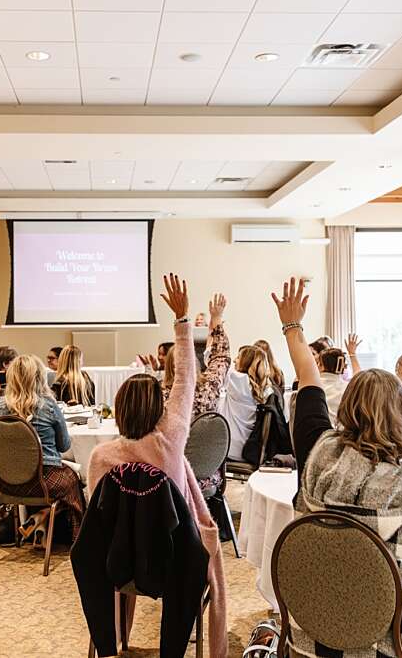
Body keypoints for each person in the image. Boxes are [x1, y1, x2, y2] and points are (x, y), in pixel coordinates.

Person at [273, 277, 402, 658]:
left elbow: (309, 379)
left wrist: (292, 326)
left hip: (316, 637)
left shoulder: (316, 454)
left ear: (346, 408)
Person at [87, 273, 228, 658]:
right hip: (173, 564)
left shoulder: (100, 458)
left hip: (116, 566)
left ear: (118, 409)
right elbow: (186, 380)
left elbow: (96, 527)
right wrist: (182, 322)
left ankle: (111, 641)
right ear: (159, 409)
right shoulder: (169, 444)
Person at [0, 354, 84, 540]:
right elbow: (64, 446)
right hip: (44, 482)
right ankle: (74, 536)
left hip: (6, 484)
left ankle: (41, 521)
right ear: (40, 378)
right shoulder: (48, 406)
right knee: (74, 480)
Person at [163, 293, 230, 492]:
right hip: (207, 475)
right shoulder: (209, 387)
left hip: (169, 478)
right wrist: (216, 318)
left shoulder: (159, 396)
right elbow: (221, 356)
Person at [220, 344, 274, 462]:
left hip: (230, 449)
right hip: (250, 449)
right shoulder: (266, 388)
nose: (234, 360)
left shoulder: (238, 380)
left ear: (246, 362)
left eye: (238, 357)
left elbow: (213, 362)